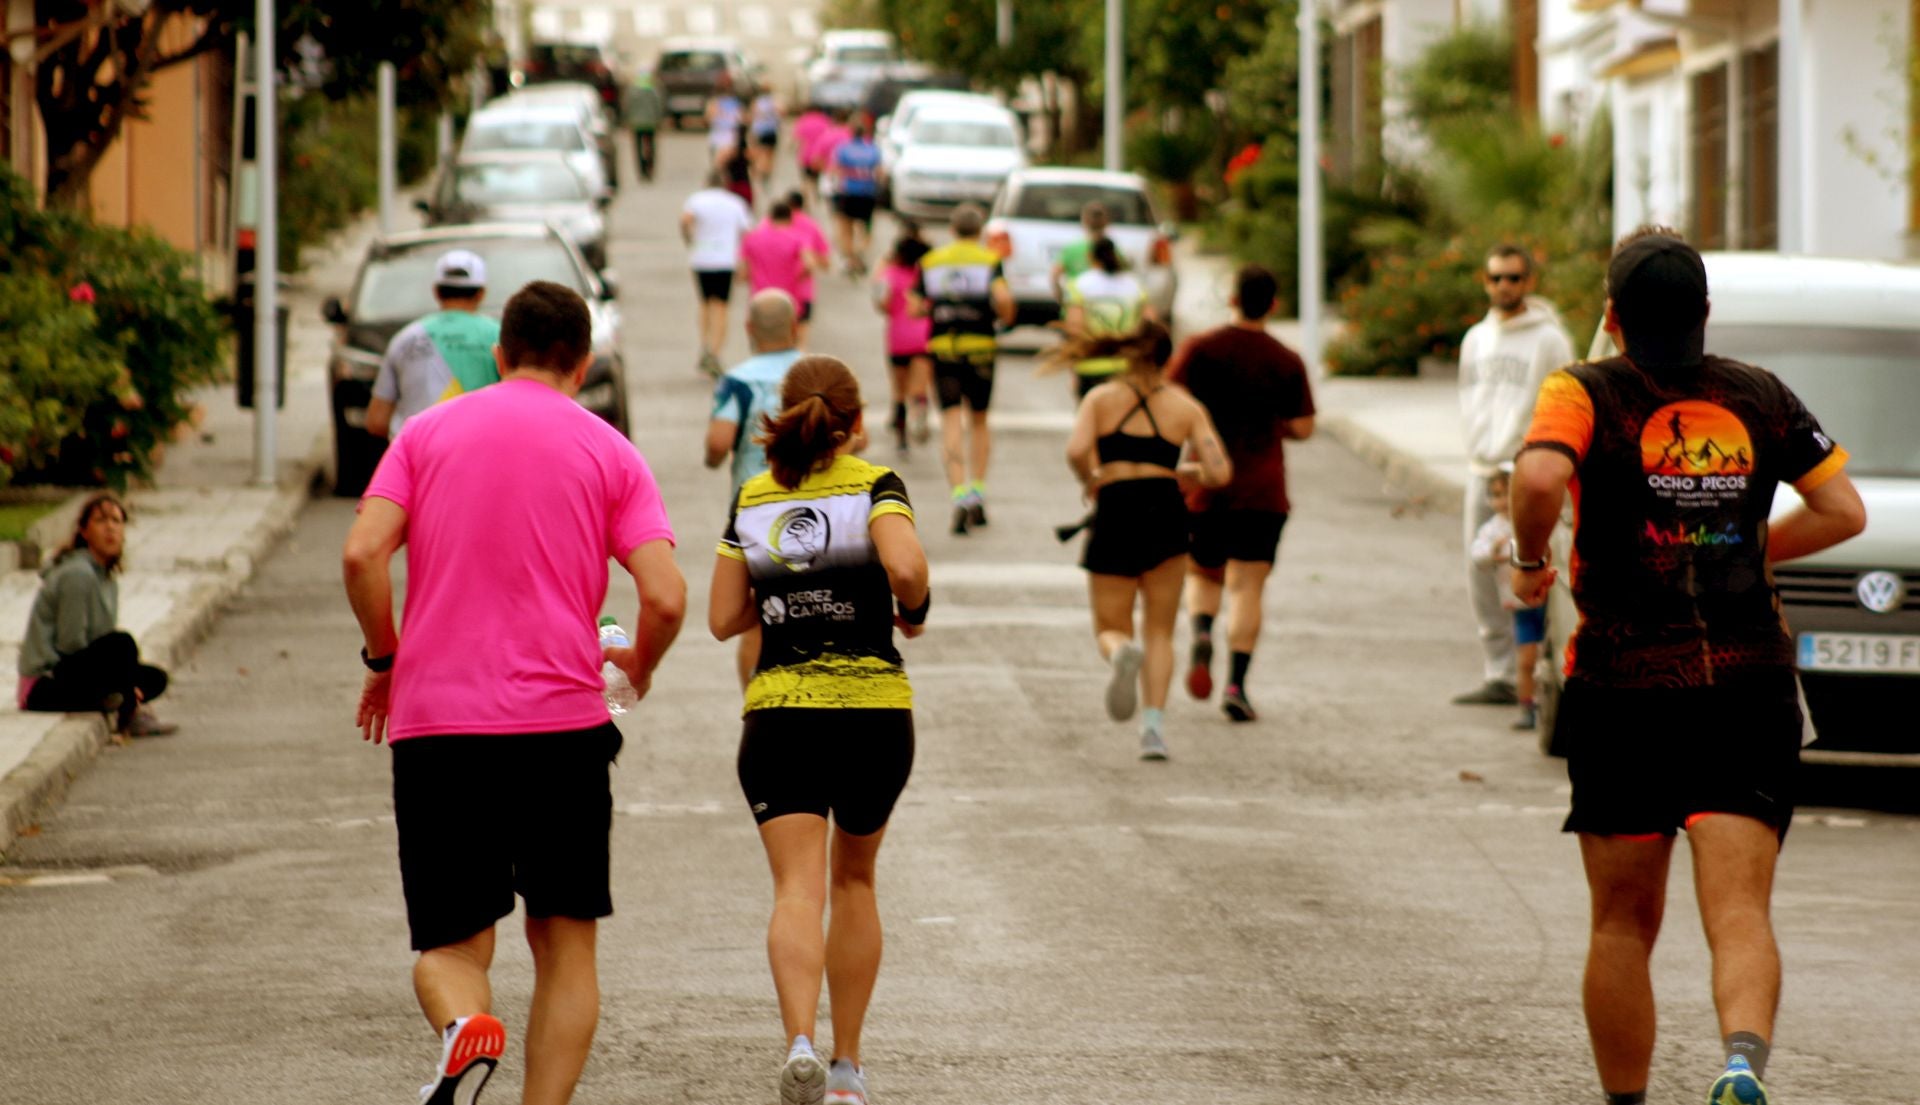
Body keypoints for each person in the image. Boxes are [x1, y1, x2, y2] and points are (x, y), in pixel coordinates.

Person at [1510, 228, 1866, 1105]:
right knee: (1740, 909)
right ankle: (1742, 1061)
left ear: (1611, 314)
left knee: (1622, 923)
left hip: (1621, 688)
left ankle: (1627, 1102)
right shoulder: (1760, 395)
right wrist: (1750, 549)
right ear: (1706, 311)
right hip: (1745, 688)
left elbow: (1540, 480)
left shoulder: (1583, 391)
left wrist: (1529, 560)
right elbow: (1844, 510)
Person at [343, 280, 687, 1105]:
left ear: (500, 355)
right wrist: (639, 661)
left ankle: (465, 1029)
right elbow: (668, 596)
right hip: (564, 727)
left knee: (453, 946)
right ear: (584, 362)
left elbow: (361, 555)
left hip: (439, 727)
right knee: (566, 944)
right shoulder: (609, 449)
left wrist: (386, 659)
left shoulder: (425, 434)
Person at [707, 355, 929, 1105]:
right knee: (855, 878)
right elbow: (905, 568)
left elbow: (721, 618)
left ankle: (798, 1037)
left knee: (795, 890)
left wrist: (786, 590)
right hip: (872, 715)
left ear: (782, 418)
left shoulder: (753, 497)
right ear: (856, 422)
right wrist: (913, 607)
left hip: (779, 717)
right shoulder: (877, 485)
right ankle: (845, 1068)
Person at [1059, 321, 1230, 760]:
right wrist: (1188, 472)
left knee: (1110, 626)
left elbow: (1077, 450)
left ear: (1127, 355)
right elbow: (1220, 472)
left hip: (1115, 507)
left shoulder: (1101, 399)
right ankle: (1152, 729)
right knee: (1160, 629)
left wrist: (1092, 478)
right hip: (1165, 511)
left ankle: (1119, 652)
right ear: (1168, 358)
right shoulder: (1184, 406)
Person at [1166, 264, 1315, 723]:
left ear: (1232, 299)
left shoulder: (1200, 349)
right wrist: (1274, 425)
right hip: (1263, 488)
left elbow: (1169, 403)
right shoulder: (1286, 359)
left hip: (1207, 486)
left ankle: (1203, 631)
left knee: (1204, 574)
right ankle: (1236, 684)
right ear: (1273, 304)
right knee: (1247, 586)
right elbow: (1305, 427)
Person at [1452, 243, 1575, 707]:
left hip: (1525, 468)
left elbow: (1563, 399)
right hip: (1482, 467)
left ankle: (1538, 671)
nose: (1505, 286)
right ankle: (1499, 672)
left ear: (1529, 282)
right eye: (1496, 277)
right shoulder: (1475, 339)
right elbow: (1469, 399)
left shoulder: (1549, 338)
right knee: (1480, 566)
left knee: (1532, 566)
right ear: (1486, 282)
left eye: (1514, 278)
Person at [705, 291, 806, 689]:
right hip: (820, 511)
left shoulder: (739, 381)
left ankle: (758, 706)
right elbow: (856, 437)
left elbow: (718, 441)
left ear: (748, 329)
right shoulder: (816, 373)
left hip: (757, 513)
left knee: (761, 617)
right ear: (794, 327)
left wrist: (716, 459)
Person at [15, 492, 175, 738]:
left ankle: (118, 698)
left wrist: (120, 677)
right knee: (122, 644)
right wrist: (118, 676)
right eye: (101, 520)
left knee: (156, 678)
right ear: (84, 531)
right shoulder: (78, 575)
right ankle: (128, 709)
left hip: (75, 673)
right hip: (44, 686)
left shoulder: (105, 576)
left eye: (116, 521)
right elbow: (69, 644)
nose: (110, 528)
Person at [911, 203, 1016, 536]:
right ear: (980, 230)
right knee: (980, 421)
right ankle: (978, 492)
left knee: (951, 421)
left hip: (944, 351)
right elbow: (1003, 300)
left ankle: (957, 494)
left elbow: (914, 307)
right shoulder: (989, 260)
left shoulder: (931, 262)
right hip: (982, 350)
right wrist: (1004, 317)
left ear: (952, 230)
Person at [366, 250, 501, 440]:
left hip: (420, 455)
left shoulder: (406, 339)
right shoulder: (500, 336)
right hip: (481, 453)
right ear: (481, 294)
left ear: (436, 292)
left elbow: (377, 421)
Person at [1466, 466, 1545, 730]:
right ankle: (1527, 707)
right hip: (1521, 604)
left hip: (1546, 600)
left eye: (1508, 493)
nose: (1502, 501)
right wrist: (1494, 550)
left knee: (1547, 658)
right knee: (1526, 660)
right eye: (1496, 495)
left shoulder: (1534, 519)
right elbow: (1477, 556)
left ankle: (1547, 707)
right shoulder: (1493, 530)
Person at [681, 169, 756, 377]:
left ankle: (704, 344)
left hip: (702, 258)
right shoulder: (735, 203)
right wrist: (745, 261)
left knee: (705, 303)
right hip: (725, 260)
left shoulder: (696, 200)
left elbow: (685, 220)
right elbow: (747, 232)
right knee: (721, 306)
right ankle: (715, 350)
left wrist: (690, 239)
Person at [1060, 236, 1153, 400]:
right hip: (1126, 366)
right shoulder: (1135, 285)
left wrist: (1072, 365)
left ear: (1090, 257)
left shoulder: (1080, 285)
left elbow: (1075, 328)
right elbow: (1150, 324)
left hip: (1090, 365)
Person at [872, 221, 933, 456]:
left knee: (899, 390)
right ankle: (920, 412)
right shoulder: (926, 277)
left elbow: (882, 304)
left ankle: (902, 438)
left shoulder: (890, 274)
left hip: (898, 338)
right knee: (919, 388)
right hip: (924, 338)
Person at [740, 202, 826, 346]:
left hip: (760, 298)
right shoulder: (797, 239)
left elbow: (742, 273)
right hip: (789, 299)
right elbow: (810, 263)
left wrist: (752, 276)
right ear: (790, 219)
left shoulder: (752, 238)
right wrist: (799, 276)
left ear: (771, 218)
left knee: (761, 343)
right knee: (790, 343)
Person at [829, 120, 881, 276]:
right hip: (867, 193)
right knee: (865, 228)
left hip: (848, 192)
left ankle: (851, 259)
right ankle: (859, 253)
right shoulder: (873, 149)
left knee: (846, 228)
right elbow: (879, 172)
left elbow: (834, 170)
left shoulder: (843, 149)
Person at [1049, 201, 1112, 302]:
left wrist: (1061, 298)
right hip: (1104, 307)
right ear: (1107, 222)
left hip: (1076, 305)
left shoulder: (1071, 249)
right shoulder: (1114, 250)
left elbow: (1055, 276)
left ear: (1084, 221)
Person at [622, 73, 663, 181]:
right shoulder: (652, 89)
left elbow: (627, 106)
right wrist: (659, 119)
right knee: (650, 146)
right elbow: (658, 105)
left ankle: (641, 170)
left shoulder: (632, 90)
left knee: (638, 147)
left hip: (636, 124)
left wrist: (627, 120)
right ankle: (650, 167)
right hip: (650, 123)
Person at [791, 106, 833, 207]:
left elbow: (796, 137)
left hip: (805, 154)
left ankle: (806, 201)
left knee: (806, 179)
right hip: (820, 156)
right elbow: (829, 137)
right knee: (817, 178)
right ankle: (816, 198)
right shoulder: (825, 120)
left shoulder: (803, 120)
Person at [708, 77, 744, 169]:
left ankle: (718, 175)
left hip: (728, 133)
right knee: (722, 161)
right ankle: (717, 175)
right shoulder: (716, 101)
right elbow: (710, 117)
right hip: (722, 132)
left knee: (724, 161)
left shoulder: (734, 102)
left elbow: (741, 118)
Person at [748, 89, 781, 180]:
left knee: (760, 153)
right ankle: (766, 171)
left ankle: (759, 171)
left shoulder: (757, 102)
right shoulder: (773, 101)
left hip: (760, 131)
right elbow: (780, 113)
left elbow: (752, 116)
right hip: (771, 130)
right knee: (769, 154)